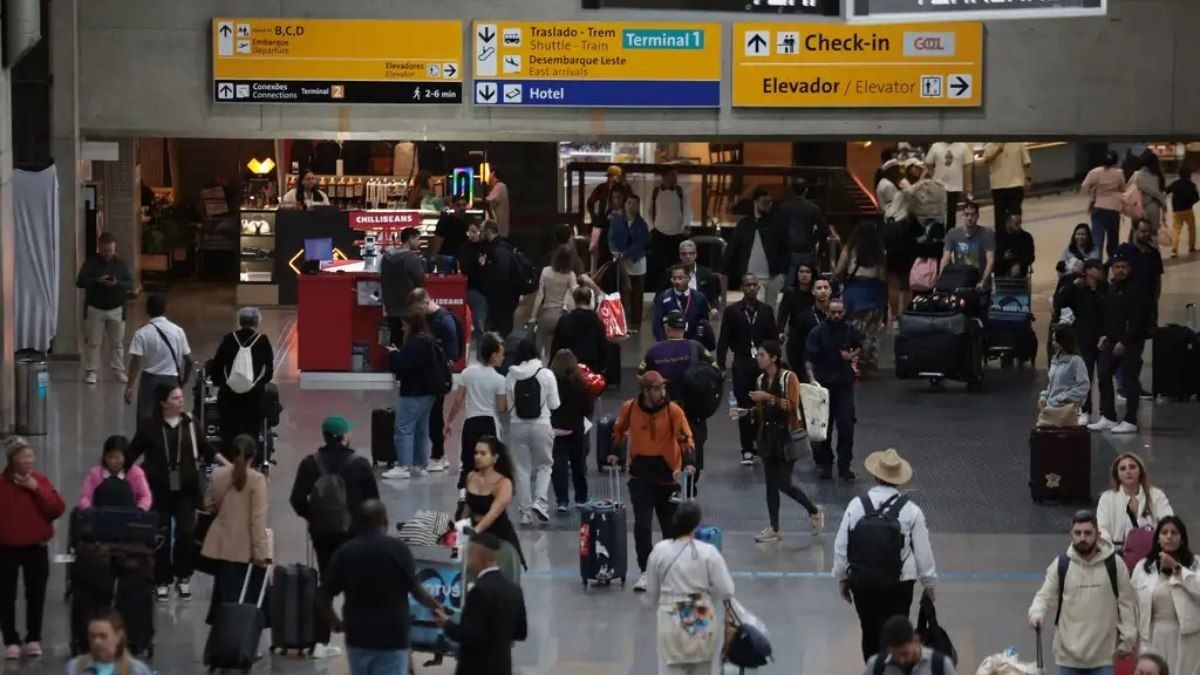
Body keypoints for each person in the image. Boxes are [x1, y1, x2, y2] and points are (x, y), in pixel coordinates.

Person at [288, 414, 380, 659]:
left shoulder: (310, 464)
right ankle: (358, 640)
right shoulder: (360, 464)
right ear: (343, 436)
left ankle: (320, 642)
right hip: (354, 536)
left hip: (322, 535)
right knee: (356, 586)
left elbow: (296, 499)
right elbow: (373, 502)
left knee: (326, 586)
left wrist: (312, 517)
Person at [833, 449, 937, 662]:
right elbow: (923, 552)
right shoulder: (911, 510)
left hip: (863, 582)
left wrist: (843, 578)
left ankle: (873, 667)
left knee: (869, 631)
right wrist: (929, 584)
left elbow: (841, 546)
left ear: (875, 475)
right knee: (896, 637)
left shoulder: (856, 505)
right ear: (899, 480)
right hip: (898, 585)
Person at [319, 500, 444, 675]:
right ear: (384, 521)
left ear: (357, 523)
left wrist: (337, 623)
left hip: (358, 636)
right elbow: (417, 591)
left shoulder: (344, 553)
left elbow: (323, 597)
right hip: (393, 637)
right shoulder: (398, 550)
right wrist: (437, 608)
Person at [128, 384, 222, 602]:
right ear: (163, 403)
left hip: (186, 490)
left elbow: (207, 450)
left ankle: (184, 576)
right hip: (158, 490)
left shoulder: (191, 424)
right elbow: (132, 452)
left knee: (186, 533)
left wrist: (228, 464)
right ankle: (161, 579)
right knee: (161, 534)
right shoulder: (150, 427)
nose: (181, 401)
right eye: (175, 398)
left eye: (181, 397)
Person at [609, 370, 694, 593]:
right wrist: (615, 452)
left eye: (663, 388)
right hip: (640, 476)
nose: (662, 392)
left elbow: (685, 437)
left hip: (668, 477)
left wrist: (689, 461)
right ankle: (646, 571)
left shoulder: (673, 410)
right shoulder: (629, 408)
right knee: (642, 526)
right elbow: (619, 431)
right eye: (657, 389)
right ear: (645, 391)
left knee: (669, 528)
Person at [1028, 510, 1137, 675]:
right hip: (1068, 658)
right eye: (1077, 533)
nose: (1082, 538)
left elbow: (1127, 604)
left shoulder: (1115, 564)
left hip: (1104, 658)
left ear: (1098, 534)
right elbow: (1044, 597)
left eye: (1087, 533)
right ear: (1071, 535)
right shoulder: (1061, 564)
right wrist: (1037, 614)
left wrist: (1128, 638)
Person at [645, 502, 736, 675]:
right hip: (700, 614)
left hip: (670, 618)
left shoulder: (660, 551)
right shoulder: (708, 552)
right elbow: (727, 590)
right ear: (697, 524)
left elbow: (651, 591)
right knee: (702, 667)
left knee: (670, 667)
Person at [748, 340, 824, 544]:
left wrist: (767, 397)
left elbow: (791, 405)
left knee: (783, 482)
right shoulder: (761, 379)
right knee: (770, 484)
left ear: (773, 357)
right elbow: (763, 410)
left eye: (762, 355)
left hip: (786, 436)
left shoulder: (789, 377)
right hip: (768, 436)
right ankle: (774, 528)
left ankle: (814, 510)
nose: (758, 358)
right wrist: (749, 411)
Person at [0, 436, 65, 659]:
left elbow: (57, 509)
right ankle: (10, 640)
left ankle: (33, 637)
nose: (29, 460)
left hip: (36, 547)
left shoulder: (40, 480)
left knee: (36, 594)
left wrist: (36, 489)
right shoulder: (1, 485)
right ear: (11, 459)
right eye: (23, 456)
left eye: (31, 455)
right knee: (6, 595)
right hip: (6, 548)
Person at [639, 310, 719, 490]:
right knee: (692, 449)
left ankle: (670, 488)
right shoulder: (697, 348)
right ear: (685, 327)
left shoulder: (653, 351)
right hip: (693, 411)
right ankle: (689, 489)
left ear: (666, 328)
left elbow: (641, 377)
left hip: (664, 412)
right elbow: (715, 372)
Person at [433, 533, 529, 675]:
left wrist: (446, 624)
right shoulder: (514, 590)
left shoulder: (478, 592)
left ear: (477, 559)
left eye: (469, 556)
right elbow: (521, 632)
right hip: (502, 668)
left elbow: (470, 636)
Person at [201, 435, 269, 626]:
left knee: (224, 595)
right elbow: (257, 521)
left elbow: (208, 504)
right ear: (253, 456)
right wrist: (261, 553)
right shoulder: (257, 480)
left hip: (221, 544)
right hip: (244, 548)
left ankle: (221, 637)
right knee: (243, 598)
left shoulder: (218, 475)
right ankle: (237, 640)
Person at [717, 274, 779, 465]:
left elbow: (773, 340)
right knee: (743, 407)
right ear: (742, 288)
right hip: (742, 362)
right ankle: (746, 449)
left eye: (754, 285)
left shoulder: (767, 311)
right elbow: (724, 339)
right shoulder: (732, 311)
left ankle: (760, 443)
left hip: (763, 364)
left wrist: (777, 366)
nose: (752, 288)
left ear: (758, 288)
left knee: (764, 405)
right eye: (748, 285)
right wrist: (721, 366)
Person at [1088, 251, 1149, 435]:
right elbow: (1108, 314)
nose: (1120, 270)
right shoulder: (1113, 287)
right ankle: (1108, 416)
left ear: (1129, 268)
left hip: (1130, 341)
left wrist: (1124, 341)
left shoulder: (1137, 289)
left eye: (1124, 267)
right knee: (1104, 374)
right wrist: (1103, 335)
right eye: (1117, 267)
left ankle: (1130, 419)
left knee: (1129, 379)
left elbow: (1138, 320)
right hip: (1112, 339)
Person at [1131, 517, 1200, 675]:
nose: (1169, 536)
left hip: (1186, 636)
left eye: (1174, 533)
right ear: (1158, 539)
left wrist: (1176, 567)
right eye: (1164, 532)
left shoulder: (1195, 565)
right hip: (1153, 633)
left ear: (1182, 539)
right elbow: (1132, 604)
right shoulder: (1142, 568)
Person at [505, 337, 561, 524]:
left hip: (517, 426)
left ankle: (525, 513)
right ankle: (541, 501)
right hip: (541, 424)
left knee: (522, 469)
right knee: (545, 465)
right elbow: (554, 404)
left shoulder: (511, 374)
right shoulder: (545, 374)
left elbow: (509, 404)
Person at [805, 297, 862, 481]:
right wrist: (812, 380)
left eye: (839, 312)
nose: (836, 315)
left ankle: (844, 465)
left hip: (844, 386)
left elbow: (860, 347)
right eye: (833, 312)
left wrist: (851, 355)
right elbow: (808, 358)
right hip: (824, 387)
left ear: (844, 312)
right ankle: (826, 465)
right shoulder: (818, 332)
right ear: (827, 312)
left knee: (846, 427)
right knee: (824, 430)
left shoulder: (850, 329)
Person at [446, 333, 508, 497]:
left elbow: (458, 401)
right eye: (501, 354)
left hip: (470, 422)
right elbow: (501, 408)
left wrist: (449, 422)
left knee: (467, 459)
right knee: (489, 461)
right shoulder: (499, 379)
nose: (503, 357)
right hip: (490, 423)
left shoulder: (467, 373)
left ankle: (463, 494)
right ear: (494, 356)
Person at [408, 288, 463, 474]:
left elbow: (453, 355)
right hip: (428, 375)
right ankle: (431, 453)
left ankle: (439, 454)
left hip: (437, 377)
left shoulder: (445, 322)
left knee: (435, 417)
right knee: (427, 416)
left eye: (418, 309)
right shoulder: (428, 320)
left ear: (426, 301)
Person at [384, 309, 440, 479]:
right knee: (422, 429)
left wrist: (394, 355)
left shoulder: (414, 344)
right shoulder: (427, 341)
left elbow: (404, 367)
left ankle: (403, 466)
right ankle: (420, 464)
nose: (402, 329)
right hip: (428, 393)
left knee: (404, 428)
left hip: (413, 393)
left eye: (404, 325)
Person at [209, 307, 275, 450]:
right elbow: (268, 373)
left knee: (228, 436)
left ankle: (230, 466)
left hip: (229, 399)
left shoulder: (228, 339)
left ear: (239, 321)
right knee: (251, 436)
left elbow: (216, 369)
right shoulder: (262, 341)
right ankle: (248, 466)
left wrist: (226, 385)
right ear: (256, 321)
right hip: (254, 400)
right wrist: (255, 385)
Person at [463, 437, 527, 581]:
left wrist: (474, 532)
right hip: (474, 534)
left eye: (483, 453)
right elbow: (467, 507)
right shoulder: (471, 477)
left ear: (495, 457)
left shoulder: (504, 483)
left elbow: (494, 513)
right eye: (476, 453)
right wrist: (459, 530)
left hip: (499, 536)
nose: (477, 457)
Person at [124, 293, 192, 428]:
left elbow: (135, 362)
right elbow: (189, 359)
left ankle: (147, 444)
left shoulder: (141, 333)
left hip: (149, 381)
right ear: (166, 309)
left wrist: (130, 386)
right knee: (171, 418)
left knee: (146, 419)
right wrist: (184, 380)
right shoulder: (178, 331)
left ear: (147, 310)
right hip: (171, 379)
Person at [76, 232, 134, 385]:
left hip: (116, 309)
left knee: (117, 343)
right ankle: (92, 371)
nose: (108, 254)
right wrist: (97, 281)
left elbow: (130, 284)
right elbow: (80, 281)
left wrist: (117, 284)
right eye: (105, 251)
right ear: (99, 248)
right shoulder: (90, 263)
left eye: (111, 251)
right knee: (93, 342)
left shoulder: (121, 264)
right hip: (95, 308)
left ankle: (118, 371)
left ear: (115, 249)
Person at [1055, 259, 1105, 421]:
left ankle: (1106, 413)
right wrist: (1074, 285)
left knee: (1104, 376)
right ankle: (1085, 410)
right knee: (1085, 375)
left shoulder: (1105, 288)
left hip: (1104, 336)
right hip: (1084, 336)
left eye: (1098, 269)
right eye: (1093, 269)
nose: (1096, 272)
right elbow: (1059, 301)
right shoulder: (1078, 288)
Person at [725, 188, 790, 311]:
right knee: (754, 308)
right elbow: (733, 248)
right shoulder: (744, 224)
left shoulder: (776, 223)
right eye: (765, 202)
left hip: (773, 276)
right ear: (755, 202)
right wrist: (725, 270)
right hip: (752, 275)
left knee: (770, 309)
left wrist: (782, 273)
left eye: (770, 202)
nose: (768, 205)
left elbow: (785, 248)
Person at [836, 221, 887, 369]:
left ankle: (853, 358)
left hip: (854, 291)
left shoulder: (850, 248)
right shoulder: (879, 252)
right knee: (872, 329)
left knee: (853, 327)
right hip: (874, 292)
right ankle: (869, 358)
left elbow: (839, 270)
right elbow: (883, 276)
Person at [549, 349, 595, 512]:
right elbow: (588, 407)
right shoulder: (580, 383)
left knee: (558, 466)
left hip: (555, 429)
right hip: (575, 429)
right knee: (578, 464)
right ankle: (581, 497)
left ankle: (562, 501)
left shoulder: (551, 382)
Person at [1096, 452, 1174, 548]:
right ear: (1117, 474)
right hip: (1118, 553)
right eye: (1123, 469)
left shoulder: (1156, 495)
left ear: (1140, 471)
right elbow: (1102, 530)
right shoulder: (1107, 498)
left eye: (1132, 467)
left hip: (1152, 553)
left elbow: (1169, 521)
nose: (1128, 471)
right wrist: (1112, 553)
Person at [63, 609, 155, 675]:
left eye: (103, 636)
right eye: (92, 636)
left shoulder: (136, 671)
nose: (97, 641)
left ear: (118, 636)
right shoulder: (74, 668)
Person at [530, 245, 580, 358]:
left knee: (540, 346)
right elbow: (576, 293)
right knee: (562, 350)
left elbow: (539, 295)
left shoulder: (546, 271)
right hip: (563, 317)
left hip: (547, 314)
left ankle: (541, 367)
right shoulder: (570, 275)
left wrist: (533, 316)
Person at [863, 615, 957, 675]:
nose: (901, 660)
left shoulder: (940, 665)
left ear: (915, 640)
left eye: (905, 653)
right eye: (894, 656)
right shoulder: (876, 666)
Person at [77, 435, 152, 511]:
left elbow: (145, 496)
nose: (113, 461)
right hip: (100, 517)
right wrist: (88, 509)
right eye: (110, 457)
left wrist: (140, 509)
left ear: (125, 457)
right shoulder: (94, 474)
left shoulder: (136, 473)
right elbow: (84, 497)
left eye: (117, 458)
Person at [610, 192, 649, 333]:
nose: (631, 206)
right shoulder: (617, 220)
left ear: (638, 207)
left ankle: (635, 324)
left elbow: (640, 243)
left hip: (637, 261)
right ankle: (623, 322)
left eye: (634, 204)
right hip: (621, 261)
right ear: (625, 205)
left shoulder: (642, 224)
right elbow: (612, 239)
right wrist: (615, 251)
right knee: (622, 293)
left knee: (637, 294)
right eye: (629, 203)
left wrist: (625, 253)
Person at [379, 226, 426, 345]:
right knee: (410, 337)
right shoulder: (411, 258)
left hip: (390, 305)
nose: (419, 242)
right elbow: (420, 279)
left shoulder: (387, 256)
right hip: (408, 306)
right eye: (418, 239)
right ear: (410, 239)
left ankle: (395, 360)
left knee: (394, 337)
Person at [652, 264, 715, 350]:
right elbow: (657, 325)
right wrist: (664, 344)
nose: (677, 281)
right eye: (674, 278)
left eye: (680, 278)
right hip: (670, 345)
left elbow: (704, 323)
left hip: (693, 344)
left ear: (688, 278)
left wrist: (697, 342)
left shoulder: (700, 297)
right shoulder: (664, 297)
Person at [1040, 325, 1092, 427]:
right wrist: (1045, 395)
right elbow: (1053, 383)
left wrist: (1063, 398)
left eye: (1056, 340)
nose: (1054, 344)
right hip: (1051, 409)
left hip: (1066, 411)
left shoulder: (1076, 361)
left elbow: (1084, 386)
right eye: (1053, 340)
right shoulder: (1055, 360)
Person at [777, 179, 828, 282]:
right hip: (807, 249)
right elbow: (823, 230)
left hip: (788, 250)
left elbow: (778, 229)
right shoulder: (813, 208)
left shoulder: (783, 208)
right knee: (806, 283)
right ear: (806, 190)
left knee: (789, 284)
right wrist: (817, 243)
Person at [550, 286, 609, 375]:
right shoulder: (598, 322)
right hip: (592, 368)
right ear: (589, 300)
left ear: (574, 300)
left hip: (569, 368)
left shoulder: (565, 320)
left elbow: (556, 345)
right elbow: (603, 347)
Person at [478, 220, 521, 338]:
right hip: (507, 296)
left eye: (482, 231)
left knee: (499, 329)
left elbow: (499, 275)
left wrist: (484, 266)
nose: (480, 235)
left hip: (500, 297)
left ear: (489, 231)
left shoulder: (497, 250)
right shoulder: (506, 246)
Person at [939, 200, 995, 290]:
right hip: (960, 279)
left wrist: (983, 281)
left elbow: (990, 261)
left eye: (972, 214)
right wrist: (940, 280)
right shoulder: (953, 233)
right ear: (962, 215)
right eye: (966, 214)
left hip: (978, 280)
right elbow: (945, 259)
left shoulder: (987, 233)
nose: (969, 218)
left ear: (977, 216)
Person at [1082, 151, 1128, 260]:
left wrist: (1093, 193)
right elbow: (1123, 189)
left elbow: (1084, 186)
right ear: (1115, 161)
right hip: (1113, 208)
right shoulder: (1119, 173)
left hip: (1098, 207)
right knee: (1113, 238)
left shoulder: (1095, 172)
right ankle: (1113, 261)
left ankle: (1097, 264)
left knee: (1097, 238)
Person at [649, 167, 691, 284]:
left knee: (676, 264)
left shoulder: (680, 192)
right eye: (672, 175)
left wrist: (685, 226)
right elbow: (649, 211)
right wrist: (652, 227)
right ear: (664, 176)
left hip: (677, 233)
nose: (674, 179)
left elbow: (687, 209)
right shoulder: (656, 192)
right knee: (659, 265)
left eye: (675, 176)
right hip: (659, 233)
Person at [788, 274, 835, 374]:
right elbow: (794, 347)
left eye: (826, 287)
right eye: (819, 288)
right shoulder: (803, 317)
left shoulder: (838, 316)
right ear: (813, 292)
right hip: (810, 369)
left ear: (830, 291)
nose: (823, 291)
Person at [980, 142, 1032, 230]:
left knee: (1015, 217)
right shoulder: (991, 145)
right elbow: (985, 160)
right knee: (1000, 219)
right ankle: (1001, 241)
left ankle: (1016, 239)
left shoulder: (1018, 143)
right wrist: (998, 150)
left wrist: (1028, 178)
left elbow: (1026, 162)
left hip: (1016, 185)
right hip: (998, 187)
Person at [926, 140, 974, 231]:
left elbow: (969, 164)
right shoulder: (935, 146)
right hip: (939, 186)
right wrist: (934, 177)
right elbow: (928, 163)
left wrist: (968, 184)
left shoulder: (962, 146)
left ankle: (950, 235)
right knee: (940, 212)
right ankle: (939, 234)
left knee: (951, 213)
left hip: (954, 185)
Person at [777, 256, 816, 353]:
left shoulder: (817, 291)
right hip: (796, 334)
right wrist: (780, 331)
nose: (804, 275)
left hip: (814, 333)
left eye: (807, 272)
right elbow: (783, 314)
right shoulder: (790, 292)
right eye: (801, 272)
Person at [459, 220, 489, 340]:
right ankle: (480, 334)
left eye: (474, 231)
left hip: (485, 287)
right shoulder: (464, 249)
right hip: (472, 287)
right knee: (480, 307)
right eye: (469, 232)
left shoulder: (486, 247)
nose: (472, 234)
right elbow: (465, 269)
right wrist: (477, 264)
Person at [677, 239, 723, 317]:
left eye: (691, 253)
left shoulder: (707, 275)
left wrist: (714, 309)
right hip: (677, 314)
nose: (688, 256)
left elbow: (714, 298)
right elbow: (659, 297)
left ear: (696, 255)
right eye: (684, 254)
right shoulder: (671, 273)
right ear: (680, 256)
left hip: (700, 314)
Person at [1129, 149, 1168, 235]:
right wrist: (1164, 209)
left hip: (1137, 208)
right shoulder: (1158, 176)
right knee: (1153, 235)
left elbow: (1128, 190)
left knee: (1137, 234)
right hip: (1153, 207)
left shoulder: (1136, 175)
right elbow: (1161, 195)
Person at [431, 193, 473, 268]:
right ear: (453, 206)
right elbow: (438, 241)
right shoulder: (445, 221)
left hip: (464, 259)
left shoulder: (469, 221)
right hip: (447, 259)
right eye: (458, 205)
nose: (462, 207)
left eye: (464, 205)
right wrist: (434, 259)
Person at [1165, 166, 1198, 257]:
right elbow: (1197, 198)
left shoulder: (1175, 184)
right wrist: (1190, 201)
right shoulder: (1191, 185)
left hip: (1177, 211)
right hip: (1188, 210)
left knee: (1176, 230)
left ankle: (1174, 249)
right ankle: (1191, 247)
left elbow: (1166, 191)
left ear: (1179, 175)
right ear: (1189, 175)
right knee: (1191, 228)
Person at [996, 213, 1035, 278]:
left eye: (1020, 223)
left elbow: (1031, 257)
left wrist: (1018, 263)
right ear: (1008, 223)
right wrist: (1010, 262)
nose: (1019, 226)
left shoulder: (1026, 237)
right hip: (1002, 273)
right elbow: (993, 258)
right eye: (1016, 224)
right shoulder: (998, 238)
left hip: (1020, 274)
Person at [485, 169, 510, 236]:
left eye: (489, 174)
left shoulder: (500, 186)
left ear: (493, 174)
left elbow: (488, 202)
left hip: (499, 232)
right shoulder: (494, 189)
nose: (487, 177)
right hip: (495, 232)